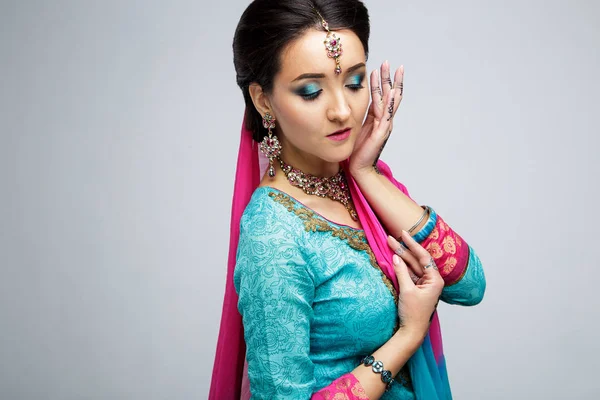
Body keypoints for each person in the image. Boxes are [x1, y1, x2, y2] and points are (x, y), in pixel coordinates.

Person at [210, 1, 486, 399]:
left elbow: (469, 285)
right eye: (310, 91)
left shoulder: (359, 186)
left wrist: (365, 173)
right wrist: (407, 336)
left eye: (355, 83)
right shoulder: (274, 234)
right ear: (263, 100)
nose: (343, 111)